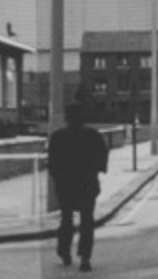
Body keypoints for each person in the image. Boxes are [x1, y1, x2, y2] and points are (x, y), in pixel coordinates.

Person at [48, 103, 109, 272]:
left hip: (66, 185)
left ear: (67, 117)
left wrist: (59, 178)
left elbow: (52, 164)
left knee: (66, 219)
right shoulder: (93, 135)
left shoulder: (58, 137)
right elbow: (102, 157)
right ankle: (85, 258)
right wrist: (97, 170)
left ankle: (65, 252)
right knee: (87, 221)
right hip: (87, 184)